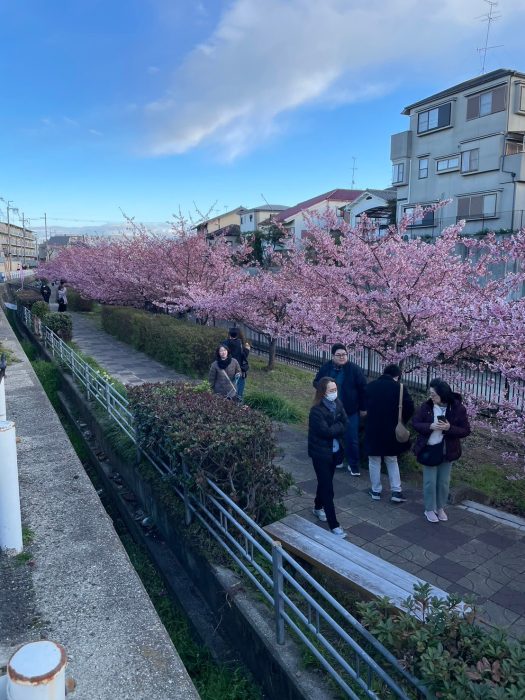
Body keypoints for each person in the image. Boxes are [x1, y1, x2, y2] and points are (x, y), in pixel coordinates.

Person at [412, 378, 471, 523]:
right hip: (429, 449)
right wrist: (430, 426)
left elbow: (465, 430)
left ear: (443, 394)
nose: (431, 397)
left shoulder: (457, 408)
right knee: (429, 482)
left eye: (434, 394)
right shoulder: (426, 407)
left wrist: (449, 428)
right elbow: (415, 423)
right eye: (430, 394)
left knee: (444, 482)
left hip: (448, 450)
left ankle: (440, 507)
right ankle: (429, 508)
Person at [313, 343, 367, 476]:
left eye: (344, 354)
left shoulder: (354, 369)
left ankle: (354, 465)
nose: (342, 357)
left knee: (351, 438)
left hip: (349, 410)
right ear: (333, 356)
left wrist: (363, 408)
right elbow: (316, 381)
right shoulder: (326, 368)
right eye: (339, 355)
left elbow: (363, 389)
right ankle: (338, 459)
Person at [364, 364, 414, 503]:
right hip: (392, 429)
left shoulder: (371, 386)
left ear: (383, 372)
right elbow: (410, 407)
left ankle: (375, 490)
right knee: (391, 460)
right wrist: (402, 420)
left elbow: (362, 405)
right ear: (397, 375)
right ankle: (396, 492)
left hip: (373, 428)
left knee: (374, 460)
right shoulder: (400, 388)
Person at [308, 377, 348, 538]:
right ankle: (334, 525)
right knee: (328, 488)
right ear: (323, 393)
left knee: (325, 482)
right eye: (331, 390)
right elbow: (326, 432)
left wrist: (337, 426)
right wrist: (338, 426)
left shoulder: (338, 403)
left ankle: (318, 507)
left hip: (334, 451)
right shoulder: (316, 410)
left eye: (335, 389)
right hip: (320, 453)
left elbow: (345, 422)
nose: (334, 393)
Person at [222, 327, 250, 399]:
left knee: (228, 384)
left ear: (229, 334)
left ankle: (227, 398)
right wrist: (247, 349)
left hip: (226, 367)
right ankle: (238, 398)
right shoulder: (239, 343)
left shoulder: (224, 343)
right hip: (238, 368)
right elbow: (243, 356)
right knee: (239, 384)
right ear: (237, 335)